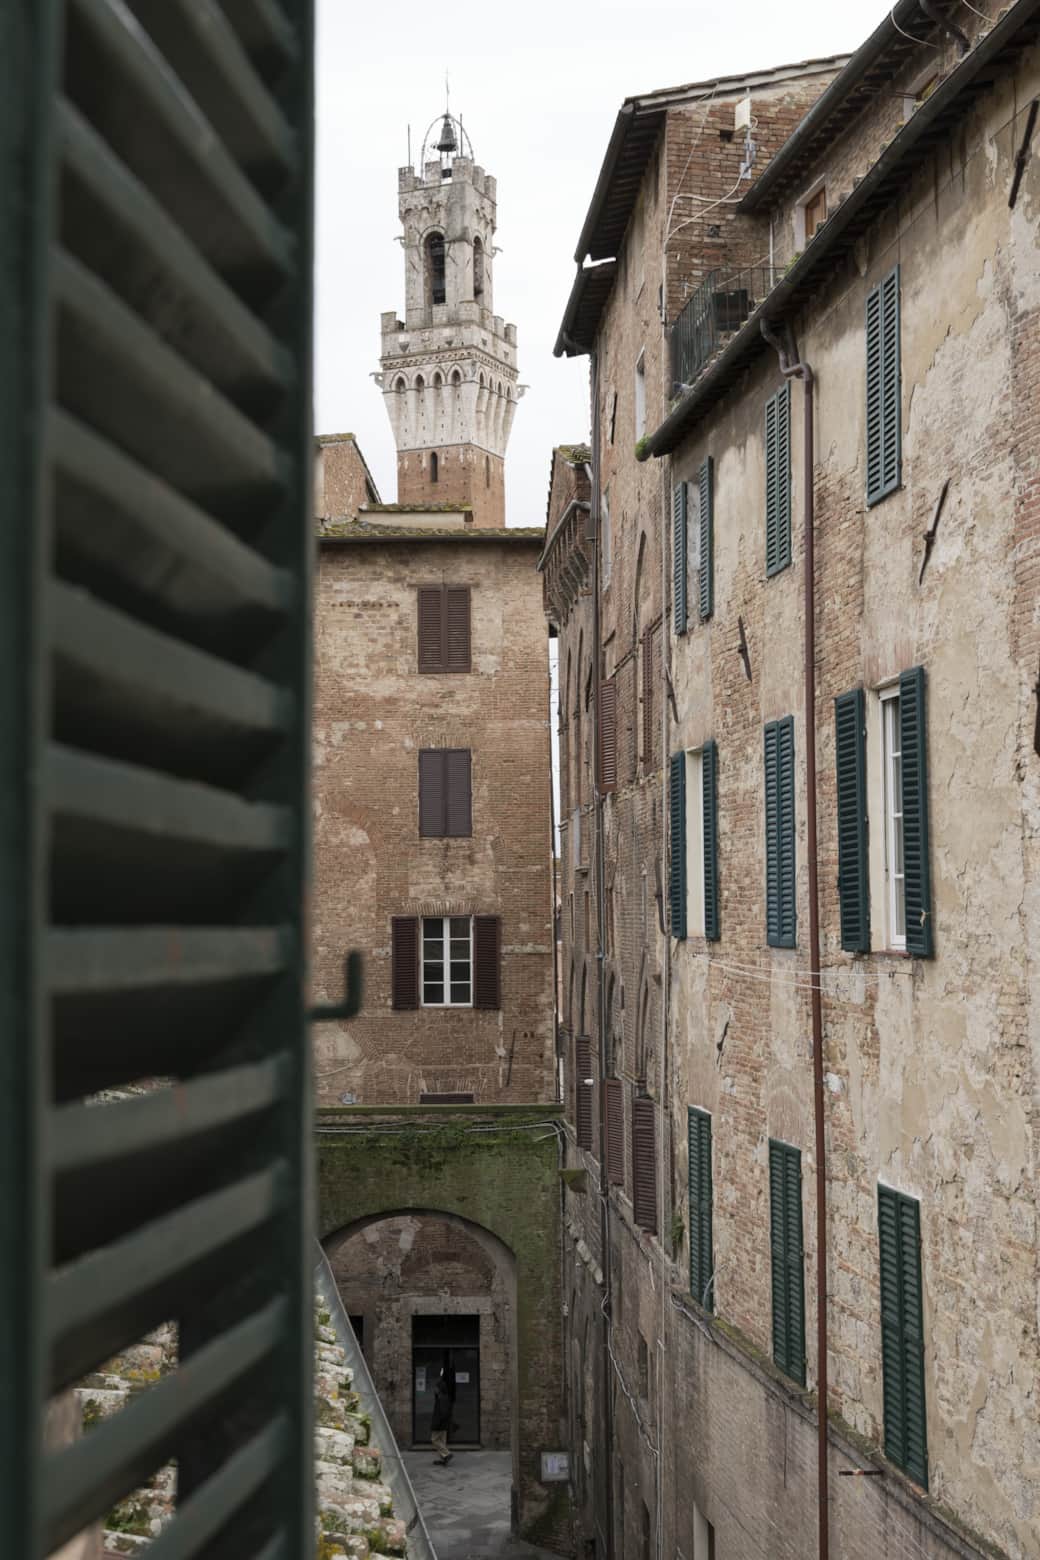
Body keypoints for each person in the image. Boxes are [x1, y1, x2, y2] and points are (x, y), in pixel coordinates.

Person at [430, 1371, 453, 1465]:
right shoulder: (444, 1397)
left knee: (434, 1439)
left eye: (436, 1388)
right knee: (442, 1442)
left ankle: (447, 1454)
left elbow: (442, 1413)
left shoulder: (441, 1399)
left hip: (440, 1424)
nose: (434, 1389)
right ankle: (444, 1459)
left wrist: (437, 1424)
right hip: (444, 1424)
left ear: (439, 1389)